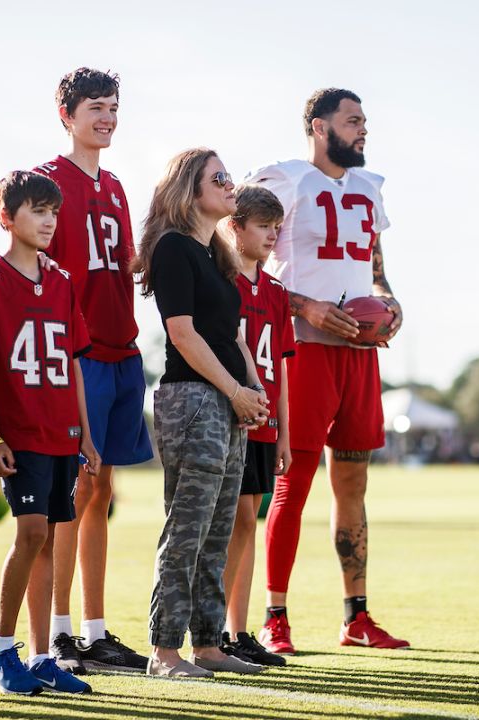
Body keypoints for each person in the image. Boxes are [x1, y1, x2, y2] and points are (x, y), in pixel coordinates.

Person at [249, 88, 409, 654]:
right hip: (305, 350)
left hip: (359, 353)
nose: (364, 130)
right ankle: (275, 616)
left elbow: (376, 270)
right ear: (319, 127)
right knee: (293, 483)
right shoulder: (287, 181)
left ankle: (356, 617)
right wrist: (307, 306)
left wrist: (390, 305)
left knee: (354, 482)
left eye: (366, 120)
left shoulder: (369, 188)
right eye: (353, 120)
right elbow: (243, 263)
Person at [33, 67, 154, 675]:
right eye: (95, 108)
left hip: (121, 347)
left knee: (102, 490)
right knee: (72, 490)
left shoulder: (117, 188)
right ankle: (57, 633)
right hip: (75, 355)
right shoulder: (49, 181)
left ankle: (95, 629)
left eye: (113, 107)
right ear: (67, 116)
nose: (106, 118)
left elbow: (125, 265)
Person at [132, 148, 269, 678]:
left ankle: (209, 646)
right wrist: (235, 390)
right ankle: (165, 652)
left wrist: (252, 391)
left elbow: (234, 335)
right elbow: (182, 334)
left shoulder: (216, 253)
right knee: (187, 529)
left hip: (229, 400)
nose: (230, 184)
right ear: (190, 190)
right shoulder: (172, 248)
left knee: (217, 531)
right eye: (220, 178)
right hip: (192, 400)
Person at [0, 171, 100, 696]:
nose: (48, 221)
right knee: (32, 534)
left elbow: (73, 362)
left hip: (62, 428)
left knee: (47, 541)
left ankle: (42, 656)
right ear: (7, 218)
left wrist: (86, 434)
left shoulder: (62, 281)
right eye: (36, 211)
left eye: (53, 212)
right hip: (21, 431)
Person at [218, 185, 294, 668]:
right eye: (263, 226)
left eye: (276, 228)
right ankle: (220, 629)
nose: (271, 235)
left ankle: (236, 630)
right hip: (230, 413)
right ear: (236, 226)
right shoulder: (221, 284)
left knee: (248, 520)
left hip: (265, 422)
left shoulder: (276, 293)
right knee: (233, 521)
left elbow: (281, 366)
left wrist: (285, 431)